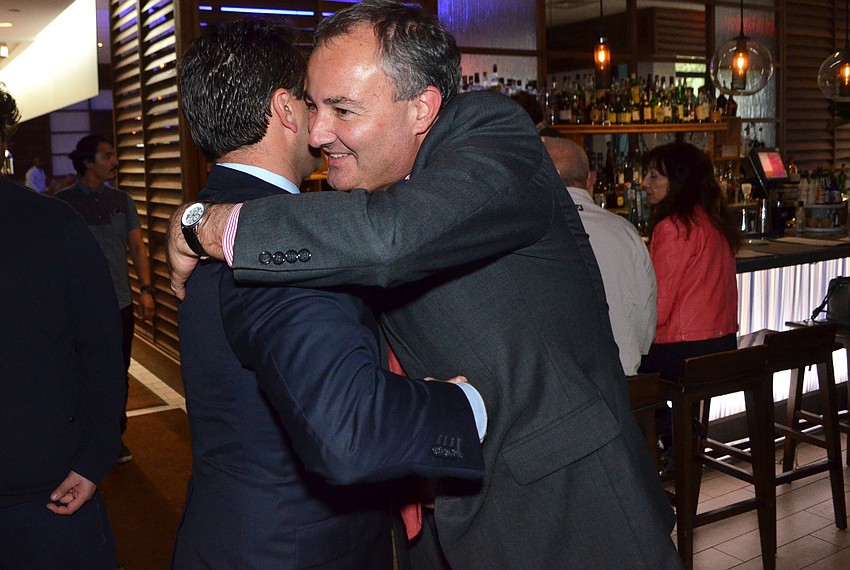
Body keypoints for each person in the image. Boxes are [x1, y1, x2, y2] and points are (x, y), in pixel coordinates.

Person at [167, 1, 681, 568]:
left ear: (421, 109)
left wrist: (206, 224)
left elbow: (389, 240)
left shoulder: (492, 136)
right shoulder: (359, 189)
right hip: (451, 521)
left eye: (342, 109)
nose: (317, 132)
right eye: (314, 106)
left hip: (570, 514)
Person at [171, 19, 486, 570]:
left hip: (230, 529)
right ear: (285, 109)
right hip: (296, 549)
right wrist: (462, 407)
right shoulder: (287, 241)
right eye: (315, 104)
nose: (321, 128)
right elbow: (350, 432)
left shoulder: (212, 218)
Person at [0, 83, 125, 568]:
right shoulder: (58, 221)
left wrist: (94, 457)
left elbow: (100, 347)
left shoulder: (54, 224)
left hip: (49, 491)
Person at [637, 142, 741, 460]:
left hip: (684, 353)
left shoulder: (673, 227)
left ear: (678, 181)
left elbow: (659, 309)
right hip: (723, 347)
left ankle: (672, 431)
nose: (645, 183)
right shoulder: (714, 220)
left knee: (615, 368)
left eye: (655, 176)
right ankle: (676, 432)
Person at [56, 134, 156, 464]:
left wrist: (146, 289)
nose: (114, 161)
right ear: (88, 162)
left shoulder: (122, 201)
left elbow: (137, 247)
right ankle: (81, 434)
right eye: (107, 155)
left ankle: (114, 435)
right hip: (77, 305)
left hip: (120, 302)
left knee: (117, 370)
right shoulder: (64, 203)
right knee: (79, 370)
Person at [542, 135, 657, 376]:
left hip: (567, 396)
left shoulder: (531, 233)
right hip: (627, 387)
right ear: (591, 179)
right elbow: (646, 333)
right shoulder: (626, 232)